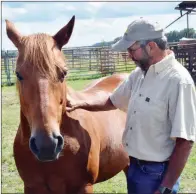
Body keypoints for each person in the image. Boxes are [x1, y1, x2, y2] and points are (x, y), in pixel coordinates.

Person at [66, 18, 196, 194]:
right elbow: (113, 101)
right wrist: (79, 103)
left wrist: (165, 187)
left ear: (151, 46)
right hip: (134, 166)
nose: (128, 55)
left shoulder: (178, 82)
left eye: (131, 49)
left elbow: (185, 142)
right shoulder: (140, 74)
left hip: (157, 173)